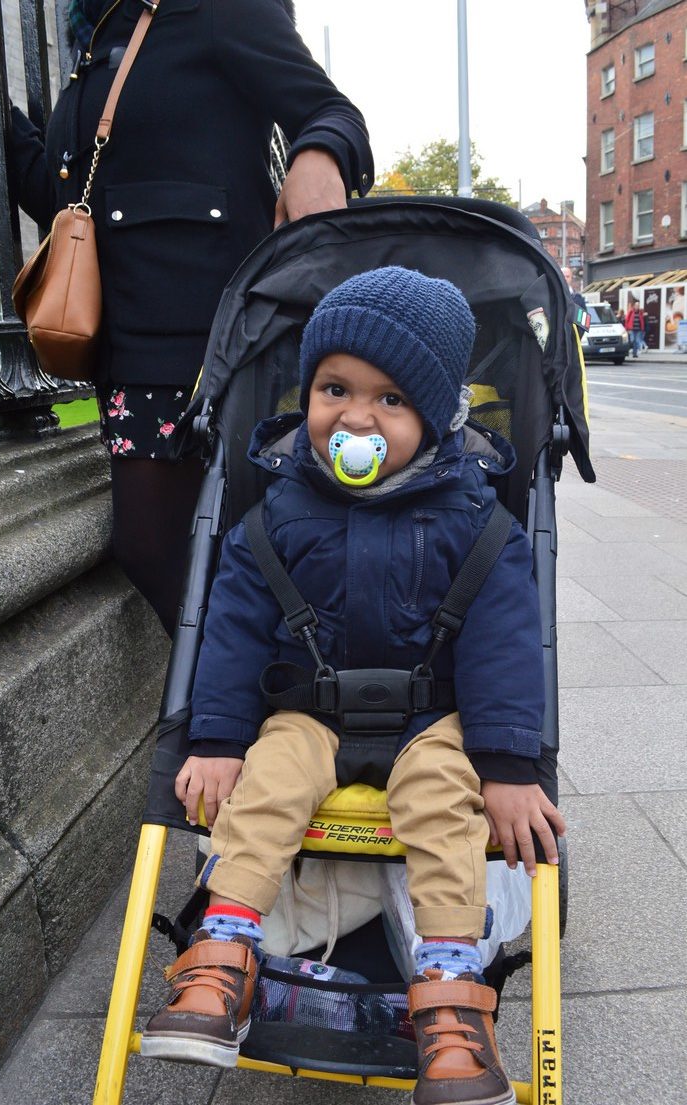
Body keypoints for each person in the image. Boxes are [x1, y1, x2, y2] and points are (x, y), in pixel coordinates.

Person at [141, 267, 566, 1105]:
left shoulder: (475, 519)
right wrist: (218, 740)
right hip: (307, 710)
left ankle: (448, 992)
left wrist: (511, 766)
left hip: (431, 717)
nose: (356, 417)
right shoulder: (280, 511)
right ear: (309, 392)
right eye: (335, 388)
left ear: (437, 416)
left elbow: (505, 646)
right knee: (266, 779)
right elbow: (228, 629)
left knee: (447, 801)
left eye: (390, 400)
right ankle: (223, 953)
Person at [0, 0, 373, 636]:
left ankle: (253, 712)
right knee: (166, 549)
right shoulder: (98, 35)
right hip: (130, 346)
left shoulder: (217, 9)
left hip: (212, 333)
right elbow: (65, 198)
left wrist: (318, 155)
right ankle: (247, 712)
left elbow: (329, 110)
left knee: (187, 545)